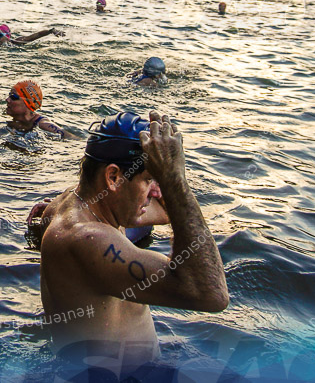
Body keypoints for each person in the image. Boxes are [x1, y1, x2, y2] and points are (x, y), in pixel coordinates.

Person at [34, 112, 228, 376]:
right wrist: (174, 179)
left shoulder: (76, 203)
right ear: (113, 177)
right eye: (149, 180)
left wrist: (163, 176)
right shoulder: (89, 239)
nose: (156, 191)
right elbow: (211, 294)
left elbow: (171, 212)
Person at [5, 80, 77, 138]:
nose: (7, 99)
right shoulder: (17, 121)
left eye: (13, 97)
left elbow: (73, 139)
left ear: (28, 103)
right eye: (9, 95)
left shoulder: (43, 124)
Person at [0, 24, 64, 46]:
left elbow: (37, 34)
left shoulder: (18, 41)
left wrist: (51, 31)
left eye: (0, 35)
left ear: (7, 36)